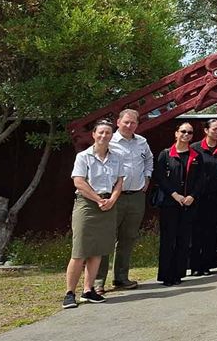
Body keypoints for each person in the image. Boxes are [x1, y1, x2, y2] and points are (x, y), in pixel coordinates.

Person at [64, 119, 124, 308]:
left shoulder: (117, 157)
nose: (104, 136)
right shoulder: (84, 156)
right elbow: (79, 182)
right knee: (80, 251)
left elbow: (119, 181)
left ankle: (88, 290)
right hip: (88, 204)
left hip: (108, 204)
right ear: (94, 134)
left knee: (98, 250)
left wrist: (112, 200)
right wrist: (98, 199)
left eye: (107, 133)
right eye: (100, 132)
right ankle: (69, 293)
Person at [94, 109, 152, 295]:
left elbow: (149, 160)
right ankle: (98, 281)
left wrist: (147, 178)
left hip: (136, 196)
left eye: (133, 123)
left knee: (128, 238)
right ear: (118, 122)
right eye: (126, 122)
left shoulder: (142, 142)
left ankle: (121, 278)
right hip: (113, 197)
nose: (129, 126)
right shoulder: (108, 140)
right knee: (106, 238)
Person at [153, 122, 204, 287]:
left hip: (188, 203)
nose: (186, 135)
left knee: (183, 239)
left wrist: (192, 196)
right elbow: (160, 178)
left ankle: (179, 273)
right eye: (183, 131)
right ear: (176, 133)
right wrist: (175, 195)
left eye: (190, 132)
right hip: (169, 203)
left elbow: (200, 180)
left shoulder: (196, 156)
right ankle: (166, 274)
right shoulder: (165, 154)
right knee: (169, 239)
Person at [189, 119, 217, 276]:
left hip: (216, 196)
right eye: (214, 129)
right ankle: (195, 264)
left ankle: (207, 264)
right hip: (197, 196)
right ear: (206, 130)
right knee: (196, 230)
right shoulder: (195, 149)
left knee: (212, 230)